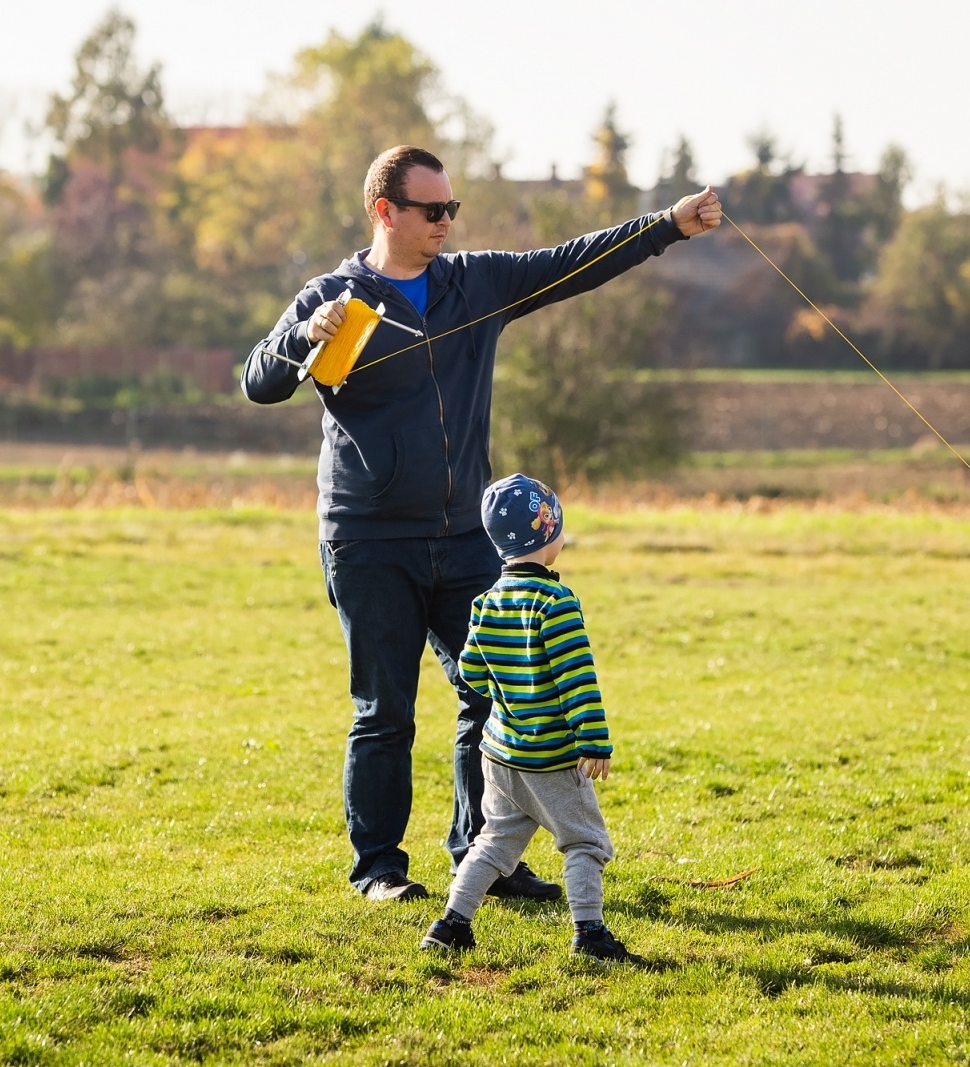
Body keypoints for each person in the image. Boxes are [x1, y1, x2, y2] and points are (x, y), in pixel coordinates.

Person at [241, 145, 721, 902]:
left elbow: (572, 260)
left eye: (451, 210)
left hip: (466, 536)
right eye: (433, 211)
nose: (446, 223)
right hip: (367, 537)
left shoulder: (474, 284)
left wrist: (667, 225)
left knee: (491, 691)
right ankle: (378, 870)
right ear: (385, 211)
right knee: (384, 709)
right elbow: (258, 382)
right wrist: (305, 336)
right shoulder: (333, 295)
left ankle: (481, 855)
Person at [419, 474, 638, 963]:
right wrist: (594, 742)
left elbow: (471, 671)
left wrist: (509, 677)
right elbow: (576, 678)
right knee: (585, 842)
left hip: (500, 752)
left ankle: (451, 923)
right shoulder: (556, 603)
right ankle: (590, 934)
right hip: (550, 756)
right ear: (548, 534)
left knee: (495, 841)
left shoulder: (486, 601)